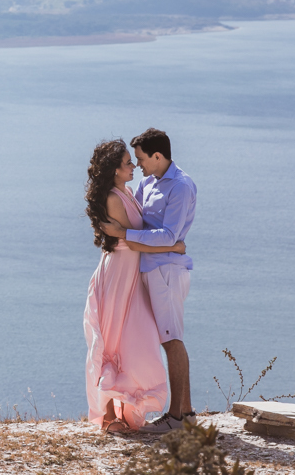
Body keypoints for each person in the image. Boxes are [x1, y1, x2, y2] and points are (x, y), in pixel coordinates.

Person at [83, 138, 186, 433]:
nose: (134, 166)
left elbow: (136, 237)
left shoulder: (126, 191)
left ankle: (125, 407)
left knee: (131, 341)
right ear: (115, 170)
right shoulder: (115, 199)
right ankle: (108, 415)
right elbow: (133, 241)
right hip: (119, 273)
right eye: (128, 162)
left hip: (130, 273)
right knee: (113, 339)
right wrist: (174, 248)